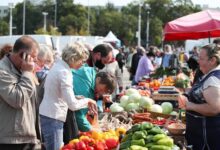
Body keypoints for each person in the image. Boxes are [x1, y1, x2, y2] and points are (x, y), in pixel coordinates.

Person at [39, 42, 97, 150]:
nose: (83, 64)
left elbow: (59, 94)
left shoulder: (59, 66)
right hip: (53, 116)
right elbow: (72, 105)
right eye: (81, 60)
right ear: (73, 58)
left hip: (49, 114)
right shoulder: (64, 73)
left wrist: (82, 99)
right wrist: (88, 101)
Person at [0, 36, 42, 149]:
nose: (36, 61)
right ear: (22, 55)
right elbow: (17, 99)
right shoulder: (2, 71)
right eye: (33, 57)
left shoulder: (23, 69)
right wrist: (28, 74)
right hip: (11, 141)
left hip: (27, 137)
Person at [178, 44, 220, 150]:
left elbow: (214, 108)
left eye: (201, 58)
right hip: (201, 136)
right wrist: (187, 94)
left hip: (207, 140)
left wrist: (189, 105)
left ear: (213, 60)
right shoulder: (209, 75)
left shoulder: (213, 79)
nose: (198, 61)